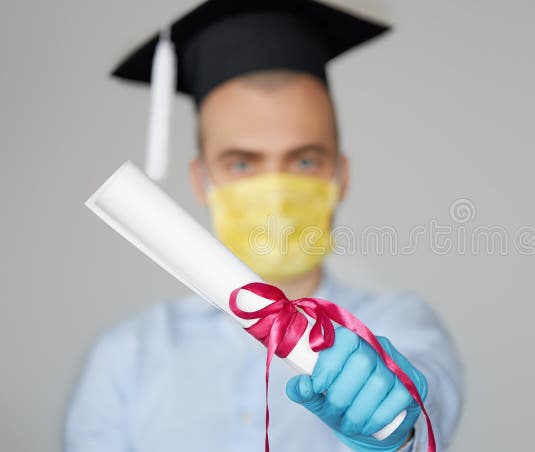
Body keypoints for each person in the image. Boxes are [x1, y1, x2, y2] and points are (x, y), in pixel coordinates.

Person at [65, 1, 463, 451]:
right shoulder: (126, 357)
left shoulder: (400, 326)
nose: (275, 190)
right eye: (241, 163)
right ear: (201, 181)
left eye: (305, 160)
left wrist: (397, 426)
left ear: (341, 175)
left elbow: (434, 399)